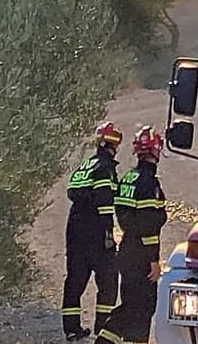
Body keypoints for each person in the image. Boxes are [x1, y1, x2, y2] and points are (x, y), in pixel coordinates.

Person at [95, 126, 168, 344]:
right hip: (141, 256)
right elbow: (148, 226)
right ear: (156, 152)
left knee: (133, 306)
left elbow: (125, 216)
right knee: (141, 307)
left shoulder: (127, 179)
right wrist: (153, 261)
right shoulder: (149, 183)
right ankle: (104, 341)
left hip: (126, 250)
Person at [62, 121, 123, 341]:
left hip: (75, 229)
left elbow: (72, 192)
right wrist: (109, 234)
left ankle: (71, 328)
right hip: (96, 231)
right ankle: (102, 327)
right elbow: (105, 205)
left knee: (75, 279)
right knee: (108, 279)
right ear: (113, 145)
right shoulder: (105, 168)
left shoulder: (85, 166)